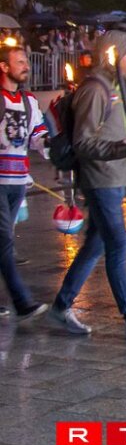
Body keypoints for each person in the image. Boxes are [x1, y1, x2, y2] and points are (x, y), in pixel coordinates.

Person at [50, 32, 126, 342]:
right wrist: (120, 150)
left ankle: (62, 305)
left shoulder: (114, 87)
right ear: (114, 55)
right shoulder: (95, 89)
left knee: (96, 245)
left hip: (114, 180)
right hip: (100, 180)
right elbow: (83, 142)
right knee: (118, 246)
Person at [0, 47, 48, 321]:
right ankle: (21, 301)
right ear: (4, 67)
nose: (26, 65)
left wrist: (50, 142)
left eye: (26, 61)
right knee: (5, 241)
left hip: (17, 181)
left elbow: (37, 136)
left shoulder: (29, 102)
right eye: (19, 61)